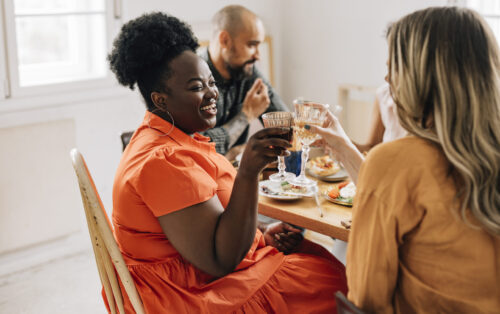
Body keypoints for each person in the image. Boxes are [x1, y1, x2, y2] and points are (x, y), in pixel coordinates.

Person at [108, 12, 347, 313]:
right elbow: (220, 260)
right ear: (161, 100)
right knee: (334, 284)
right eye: (196, 87)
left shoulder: (171, 137)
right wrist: (248, 170)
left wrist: (260, 232)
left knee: (318, 263)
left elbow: (205, 219)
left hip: (198, 270)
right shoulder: (163, 160)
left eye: (210, 83)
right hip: (189, 294)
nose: (212, 95)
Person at [309, 6, 500, 312]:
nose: (386, 77)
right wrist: (345, 147)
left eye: (394, 66)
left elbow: (366, 301)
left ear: (420, 77)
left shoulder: (399, 161)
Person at [200, 5, 288, 157]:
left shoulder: (247, 70)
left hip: (239, 175)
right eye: (252, 45)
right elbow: (198, 146)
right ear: (225, 40)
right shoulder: (193, 79)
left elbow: (284, 123)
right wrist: (246, 115)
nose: (258, 55)